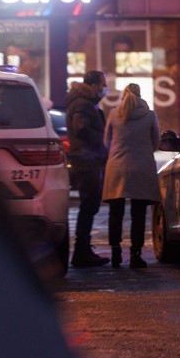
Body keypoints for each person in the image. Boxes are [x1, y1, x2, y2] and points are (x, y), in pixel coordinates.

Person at [102, 83, 161, 269]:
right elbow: (156, 142)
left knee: (116, 213)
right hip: (141, 166)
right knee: (139, 214)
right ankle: (136, 255)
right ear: (140, 94)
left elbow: (106, 142)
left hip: (117, 167)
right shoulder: (150, 115)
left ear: (124, 95)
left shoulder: (113, 113)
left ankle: (115, 253)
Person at [66, 70, 110, 267]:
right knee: (88, 205)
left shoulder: (86, 102)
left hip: (88, 158)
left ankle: (83, 249)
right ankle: (81, 251)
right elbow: (81, 128)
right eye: (103, 83)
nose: (105, 87)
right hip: (86, 160)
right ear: (94, 86)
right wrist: (102, 141)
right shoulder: (83, 103)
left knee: (90, 205)